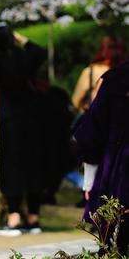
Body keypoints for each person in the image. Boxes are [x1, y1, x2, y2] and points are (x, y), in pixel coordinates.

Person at [0, 26, 47, 236]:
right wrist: (22, 39)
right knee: (33, 164)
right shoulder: (25, 57)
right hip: (31, 118)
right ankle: (33, 217)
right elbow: (41, 52)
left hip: (10, 120)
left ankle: (14, 216)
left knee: (10, 164)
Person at [74, 44, 129, 255]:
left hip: (119, 175)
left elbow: (91, 135)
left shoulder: (116, 80)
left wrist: (89, 181)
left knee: (117, 245)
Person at [72, 36, 127, 112]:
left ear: (102, 50)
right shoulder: (125, 72)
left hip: (98, 118)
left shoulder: (91, 71)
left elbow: (76, 101)